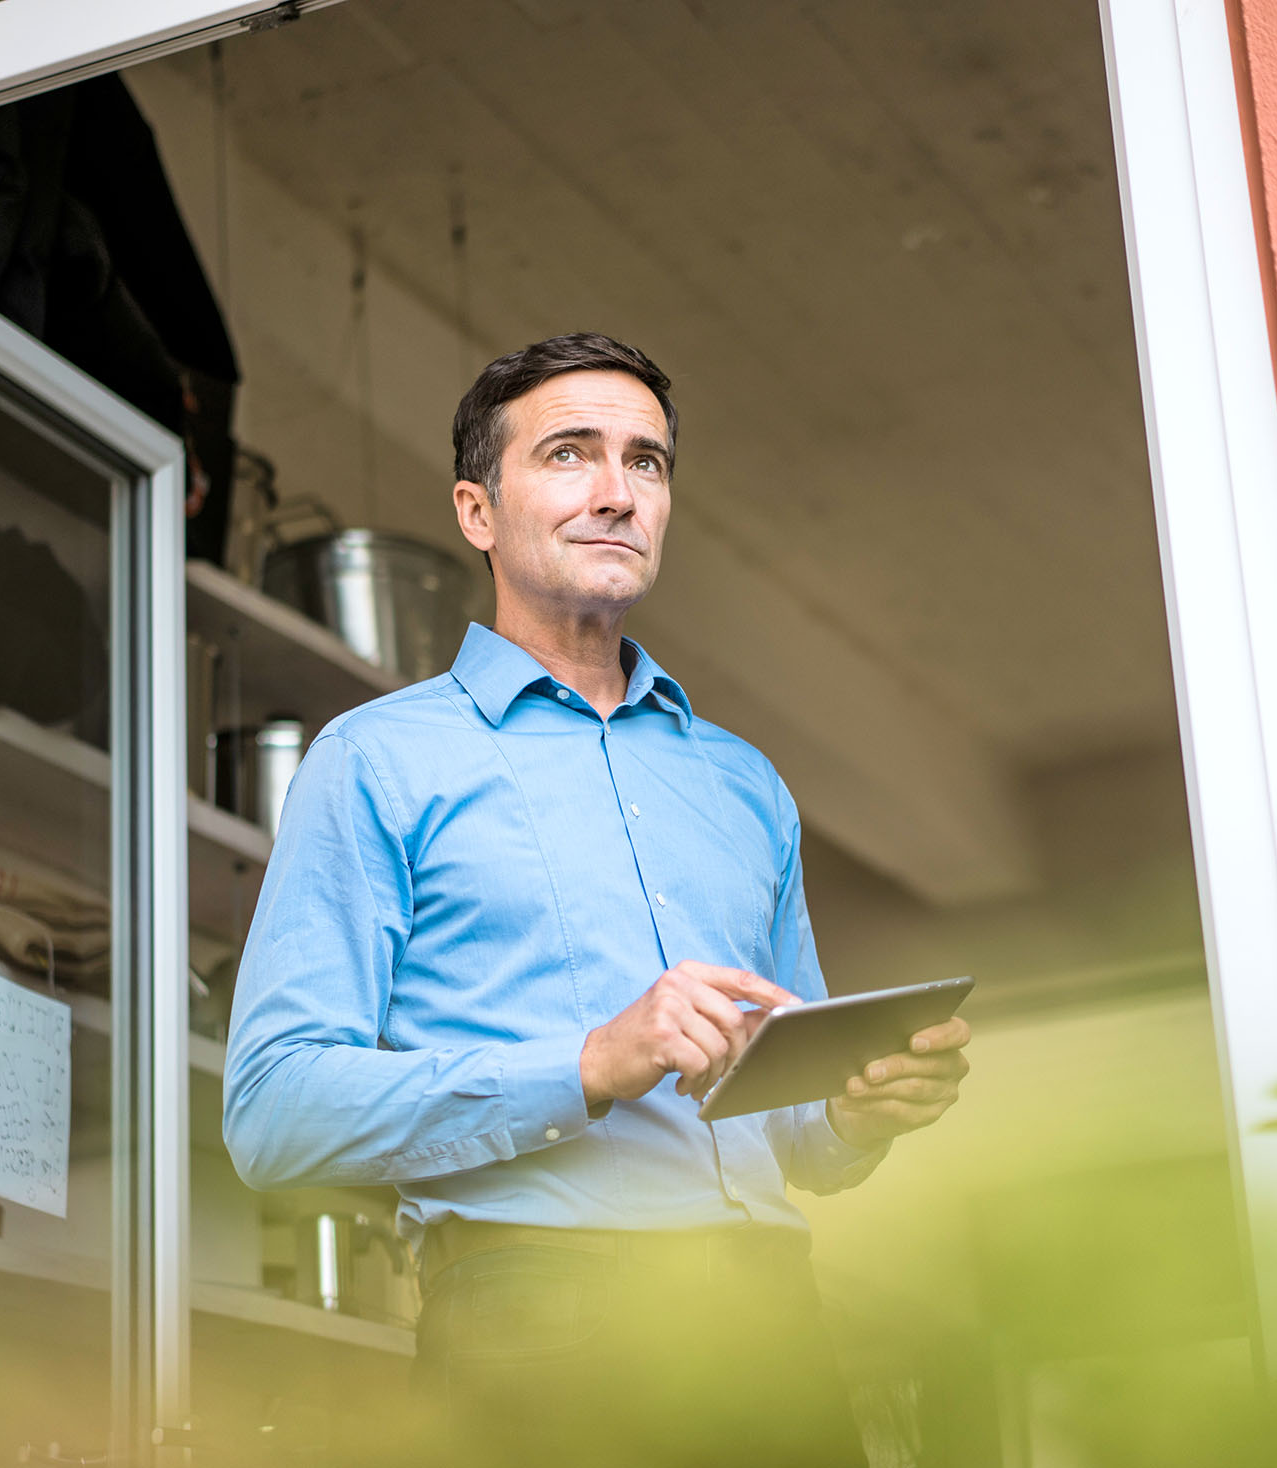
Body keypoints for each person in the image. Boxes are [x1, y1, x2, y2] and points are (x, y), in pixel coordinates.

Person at [223, 333, 972, 1467]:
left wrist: (856, 1111)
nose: (618, 493)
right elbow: (272, 1112)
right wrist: (588, 1064)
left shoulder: (745, 783)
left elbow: (792, 1133)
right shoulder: (376, 758)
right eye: (570, 454)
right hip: (536, 1316)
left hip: (776, 1322)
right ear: (478, 511)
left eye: (648, 462)